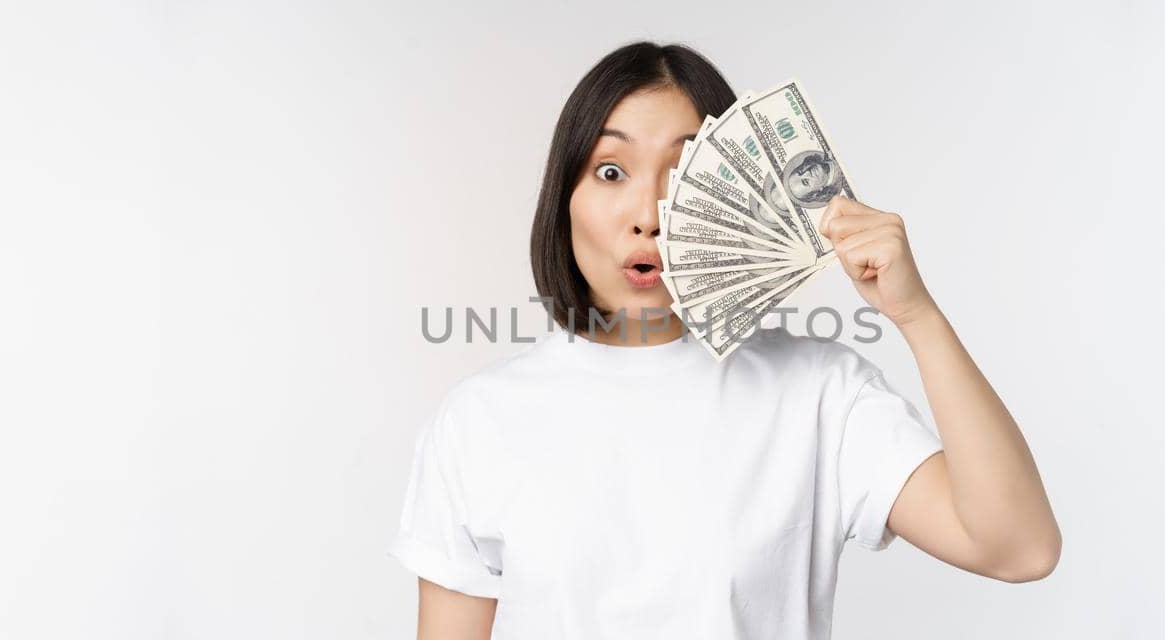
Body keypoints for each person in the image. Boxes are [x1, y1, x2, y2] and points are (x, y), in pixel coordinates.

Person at [388, 41, 1061, 639]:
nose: (648, 216)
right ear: (563, 199)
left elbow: (1019, 548)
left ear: (737, 192)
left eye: (682, 176)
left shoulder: (819, 393)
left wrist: (917, 316)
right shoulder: (479, 420)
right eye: (612, 171)